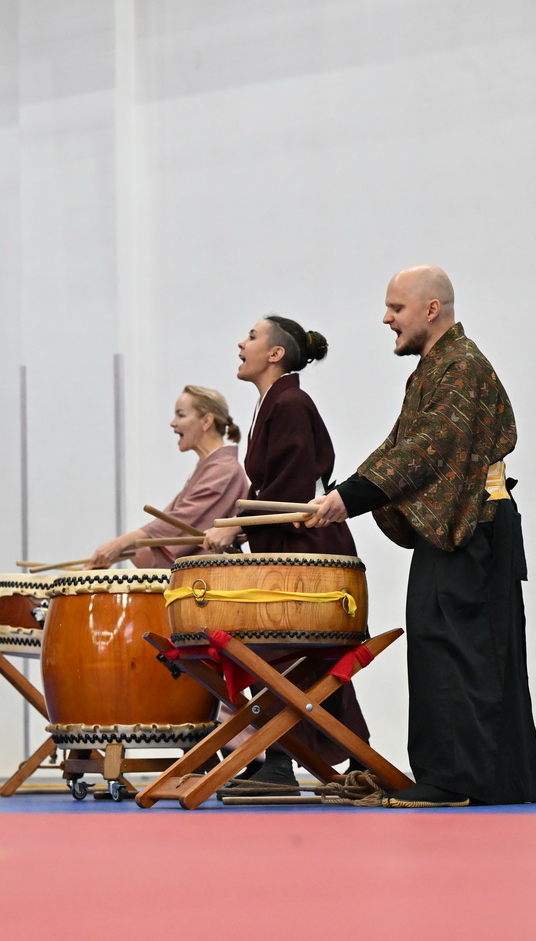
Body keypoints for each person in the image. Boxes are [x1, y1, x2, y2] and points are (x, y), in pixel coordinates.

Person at [307, 265, 536, 808]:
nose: (386, 318)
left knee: (459, 653)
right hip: (469, 531)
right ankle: (491, 781)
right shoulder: (439, 368)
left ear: (430, 309)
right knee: (460, 650)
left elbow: (429, 446)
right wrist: (346, 493)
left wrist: (353, 497)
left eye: (396, 308)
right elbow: (399, 444)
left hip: (473, 531)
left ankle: (456, 780)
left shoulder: (461, 366)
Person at [201, 315, 372, 790]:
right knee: (307, 662)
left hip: (311, 551)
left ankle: (279, 760)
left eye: (251, 337)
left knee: (281, 652)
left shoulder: (291, 401)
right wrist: (239, 529)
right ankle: (351, 761)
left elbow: (294, 494)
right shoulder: (274, 403)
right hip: (293, 549)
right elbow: (278, 492)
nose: (241, 342)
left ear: (276, 354)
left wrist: (234, 524)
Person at [85, 386, 248, 570]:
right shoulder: (212, 467)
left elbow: (179, 521)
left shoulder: (223, 469)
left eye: (181, 415)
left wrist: (119, 545)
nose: (173, 423)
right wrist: (117, 551)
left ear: (206, 421)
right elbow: (171, 521)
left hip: (209, 584)